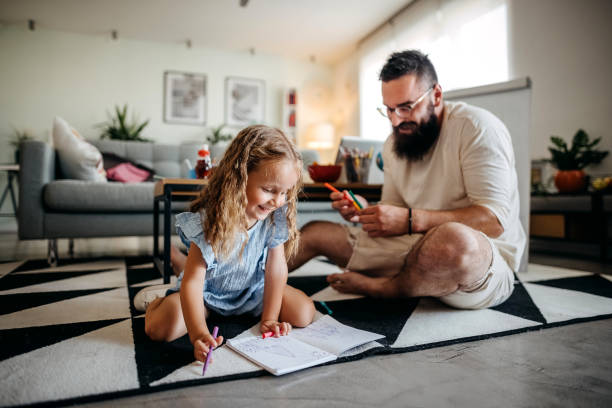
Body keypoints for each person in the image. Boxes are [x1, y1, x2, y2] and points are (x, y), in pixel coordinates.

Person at [288, 50, 526, 310]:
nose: (395, 120)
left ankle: (388, 288)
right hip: (415, 248)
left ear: (436, 95)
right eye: (388, 110)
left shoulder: (477, 128)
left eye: (406, 107)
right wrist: (366, 212)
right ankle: (245, 285)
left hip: (479, 261)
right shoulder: (393, 145)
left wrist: (412, 220)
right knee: (314, 232)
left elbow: (494, 220)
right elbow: (396, 212)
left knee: (454, 240)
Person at [134, 125, 315, 364]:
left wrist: (270, 318)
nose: (278, 201)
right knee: (161, 329)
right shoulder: (211, 221)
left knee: (304, 313)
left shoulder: (275, 217)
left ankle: (180, 262)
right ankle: (158, 300)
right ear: (240, 178)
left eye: (285, 193)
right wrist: (198, 333)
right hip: (207, 296)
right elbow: (194, 282)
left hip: (252, 293)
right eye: (269, 190)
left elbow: (276, 269)